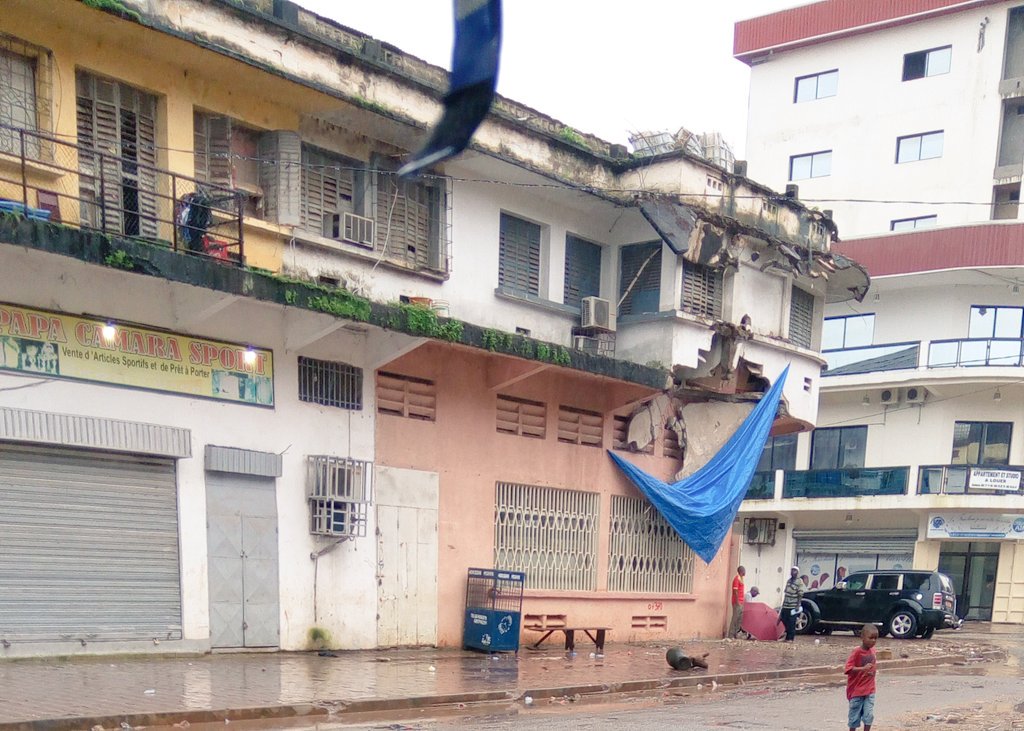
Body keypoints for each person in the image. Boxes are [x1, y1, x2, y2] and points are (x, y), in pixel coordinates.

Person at [844, 624, 878, 731]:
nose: (873, 641)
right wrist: (862, 669)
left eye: (875, 638)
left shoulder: (873, 651)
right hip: (856, 691)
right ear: (862, 637)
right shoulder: (856, 652)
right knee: (854, 717)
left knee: (869, 715)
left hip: (869, 690)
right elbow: (848, 669)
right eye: (870, 638)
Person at [780, 565, 804, 641]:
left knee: (791, 622)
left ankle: (790, 638)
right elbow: (786, 593)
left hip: (793, 606)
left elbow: (800, 594)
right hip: (786, 605)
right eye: (792, 570)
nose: (792, 572)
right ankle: (787, 636)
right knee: (784, 619)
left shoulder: (799, 581)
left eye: (794, 570)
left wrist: (798, 605)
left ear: (797, 572)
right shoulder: (789, 581)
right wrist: (783, 605)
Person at [728, 565, 746, 638]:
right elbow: (735, 591)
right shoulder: (736, 579)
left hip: (741, 602)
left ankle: (736, 634)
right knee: (735, 618)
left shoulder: (741, 579)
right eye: (744, 571)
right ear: (741, 571)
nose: (745, 572)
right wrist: (737, 601)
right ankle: (731, 635)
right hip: (737, 602)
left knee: (739, 619)